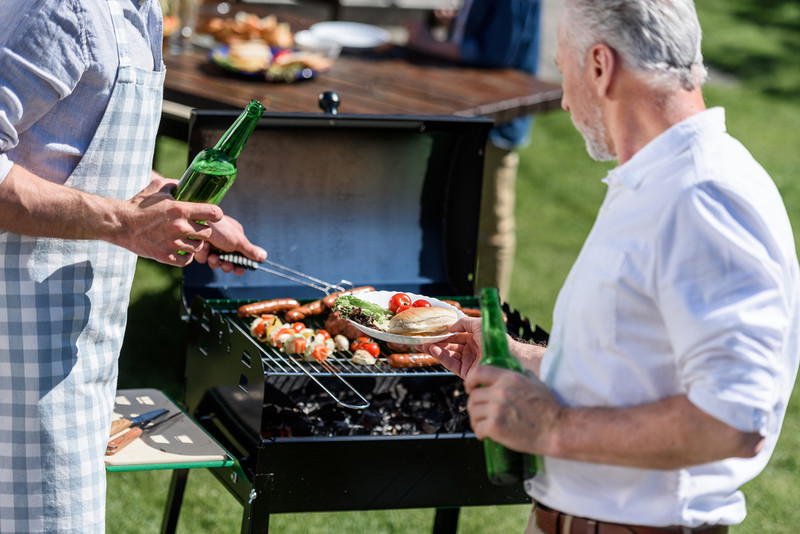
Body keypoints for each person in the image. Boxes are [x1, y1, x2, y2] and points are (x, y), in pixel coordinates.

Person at [422, 0, 800, 532]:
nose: (563, 97)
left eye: (562, 69)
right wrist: (523, 359)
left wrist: (551, 426)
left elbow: (732, 421)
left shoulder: (703, 195)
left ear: (599, 66)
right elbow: (637, 363)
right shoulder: (656, 180)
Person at [0, 1, 264, 532]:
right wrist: (124, 222)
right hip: (17, 345)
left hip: (76, 341)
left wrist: (165, 202)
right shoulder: (57, 12)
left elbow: (65, 152)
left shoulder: (140, 13)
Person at [405, 0, 541, 300]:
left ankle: (494, 317)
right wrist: (456, 25)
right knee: (453, 216)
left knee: (492, 227)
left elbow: (496, 55)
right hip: (470, 115)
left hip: (495, 123)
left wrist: (428, 42)